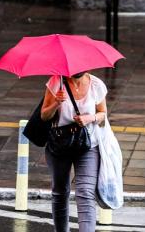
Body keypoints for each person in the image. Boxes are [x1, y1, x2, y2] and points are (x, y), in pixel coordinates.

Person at [41, 71, 107, 232]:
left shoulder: (96, 85)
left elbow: (103, 114)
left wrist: (89, 118)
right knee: (60, 192)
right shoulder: (56, 82)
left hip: (88, 144)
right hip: (60, 144)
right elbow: (44, 116)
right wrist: (56, 102)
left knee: (85, 192)